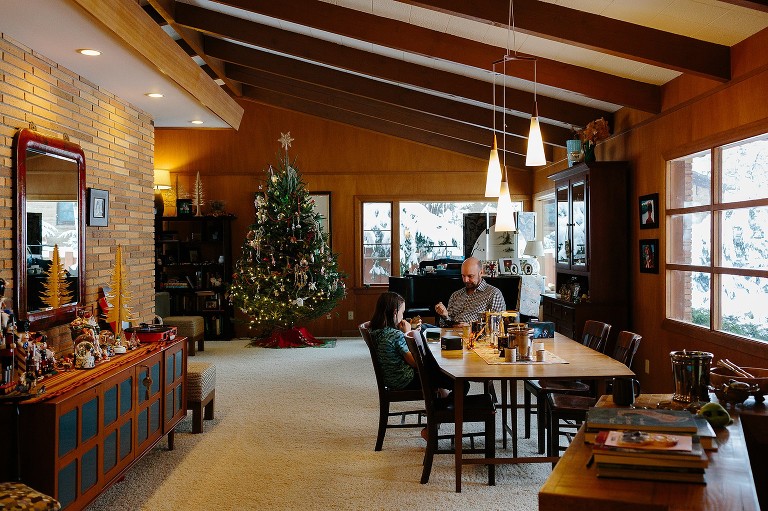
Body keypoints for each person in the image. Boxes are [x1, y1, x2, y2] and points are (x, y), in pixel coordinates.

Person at [368, 292, 468, 403]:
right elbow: (416, 363)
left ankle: (441, 400)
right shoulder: (394, 335)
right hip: (404, 379)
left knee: (436, 365)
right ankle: (442, 410)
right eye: (402, 312)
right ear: (395, 313)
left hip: (390, 378)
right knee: (462, 384)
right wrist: (409, 333)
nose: (403, 316)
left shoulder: (375, 331)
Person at [435, 257, 506, 326]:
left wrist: (471, 327)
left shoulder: (493, 294)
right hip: (452, 334)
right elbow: (444, 325)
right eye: (463, 276)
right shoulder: (456, 295)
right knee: (424, 327)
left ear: (481, 273)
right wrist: (444, 315)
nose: (465, 280)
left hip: (474, 336)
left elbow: (497, 325)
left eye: (470, 276)